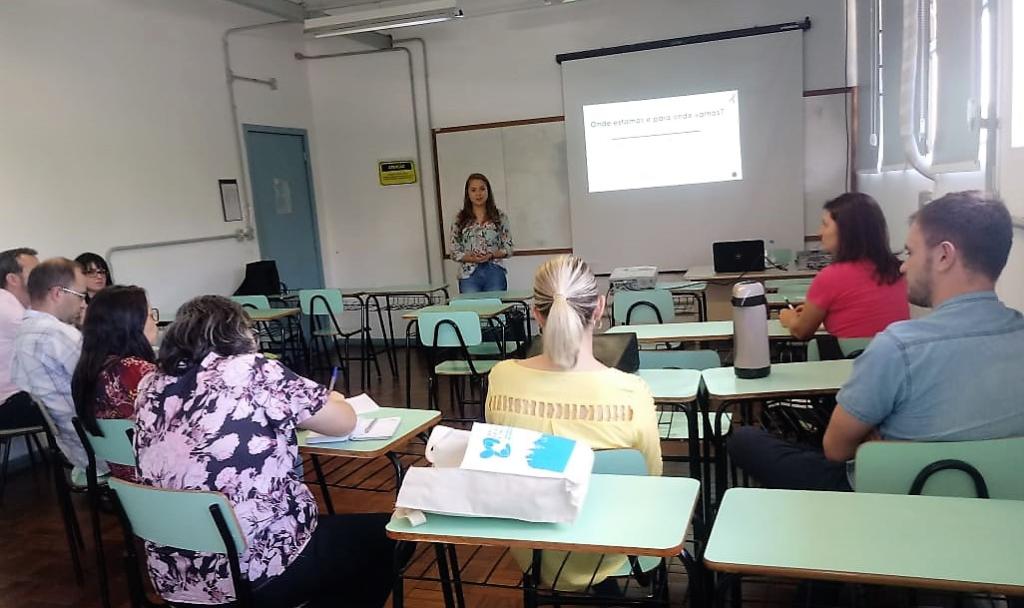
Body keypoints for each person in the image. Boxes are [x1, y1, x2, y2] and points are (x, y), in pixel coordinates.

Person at [729, 191, 1024, 491]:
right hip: (1002, 505)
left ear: (944, 256)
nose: (903, 266)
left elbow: (836, 449)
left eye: (911, 253)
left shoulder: (898, 347)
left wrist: (876, 444)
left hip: (889, 499)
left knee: (745, 440)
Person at [134, 295, 400, 607]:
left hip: (175, 576)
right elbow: (344, 423)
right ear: (239, 333)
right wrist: (334, 399)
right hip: (256, 569)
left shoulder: (150, 383)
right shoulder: (252, 369)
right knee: (391, 537)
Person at [485, 255, 662, 591]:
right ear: (599, 308)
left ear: (537, 314)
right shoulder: (631, 393)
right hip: (616, 545)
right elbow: (653, 481)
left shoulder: (501, 378)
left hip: (532, 547)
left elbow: (500, 466)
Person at [780, 192, 909, 339]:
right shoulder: (897, 271)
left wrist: (789, 318)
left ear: (846, 230)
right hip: (895, 352)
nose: (819, 232)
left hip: (854, 354)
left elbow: (801, 331)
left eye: (825, 225)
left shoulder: (830, 276)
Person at [70, 286, 157, 480]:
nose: (155, 322)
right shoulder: (135, 371)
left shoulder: (88, 369)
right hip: (155, 476)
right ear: (131, 324)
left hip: (122, 478)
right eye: (151, 315)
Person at [11, 258, 90, 470]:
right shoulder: (60, 335)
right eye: (81, 295)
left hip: (71, 449)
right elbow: (102, 391)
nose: (84, 304)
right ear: (57, 293)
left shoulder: (23, 333)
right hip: (98, 449)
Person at [0, 248, 45, 432]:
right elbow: (49, 341)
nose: (43, 277)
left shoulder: (16, 305)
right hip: (9, 404)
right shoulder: (5, 305)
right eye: (36, 272)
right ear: (13, 279)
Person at [449, 173, 514, 293]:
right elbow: (454, 251)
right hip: (469, 274)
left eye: (482, 189)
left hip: (494, 271)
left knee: (495, 304)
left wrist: (492, 255)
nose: (478, 194)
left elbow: (509, 248)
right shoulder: (460, 219)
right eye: (473, 190)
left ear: (488, 191)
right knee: (472, 305)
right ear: (468, 194)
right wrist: (471, 257)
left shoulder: (500, 217)